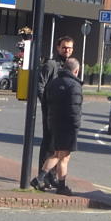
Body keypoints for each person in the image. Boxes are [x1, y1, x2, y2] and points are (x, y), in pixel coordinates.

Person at [31, 58, 83, 196]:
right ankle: (58, 185)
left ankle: (42, 179)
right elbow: (75, 109)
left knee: (57, 154)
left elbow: (46, 103)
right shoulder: (74, 86)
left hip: (54, 123)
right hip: (67, 126)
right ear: (76, 71)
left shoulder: (53, 83)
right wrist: (76, 126)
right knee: (64, 156)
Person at [37, 36, 74, 188]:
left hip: (63, 114)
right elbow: (40, 85)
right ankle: (43, 177)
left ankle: (51, 177)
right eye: (64, 47)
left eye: (70, 48)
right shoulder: (51, 64)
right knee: (49, 145)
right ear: (58, 48)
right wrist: (47, 105)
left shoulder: (71, 65)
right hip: (51, 112)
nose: (67, 51)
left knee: (58, 147)